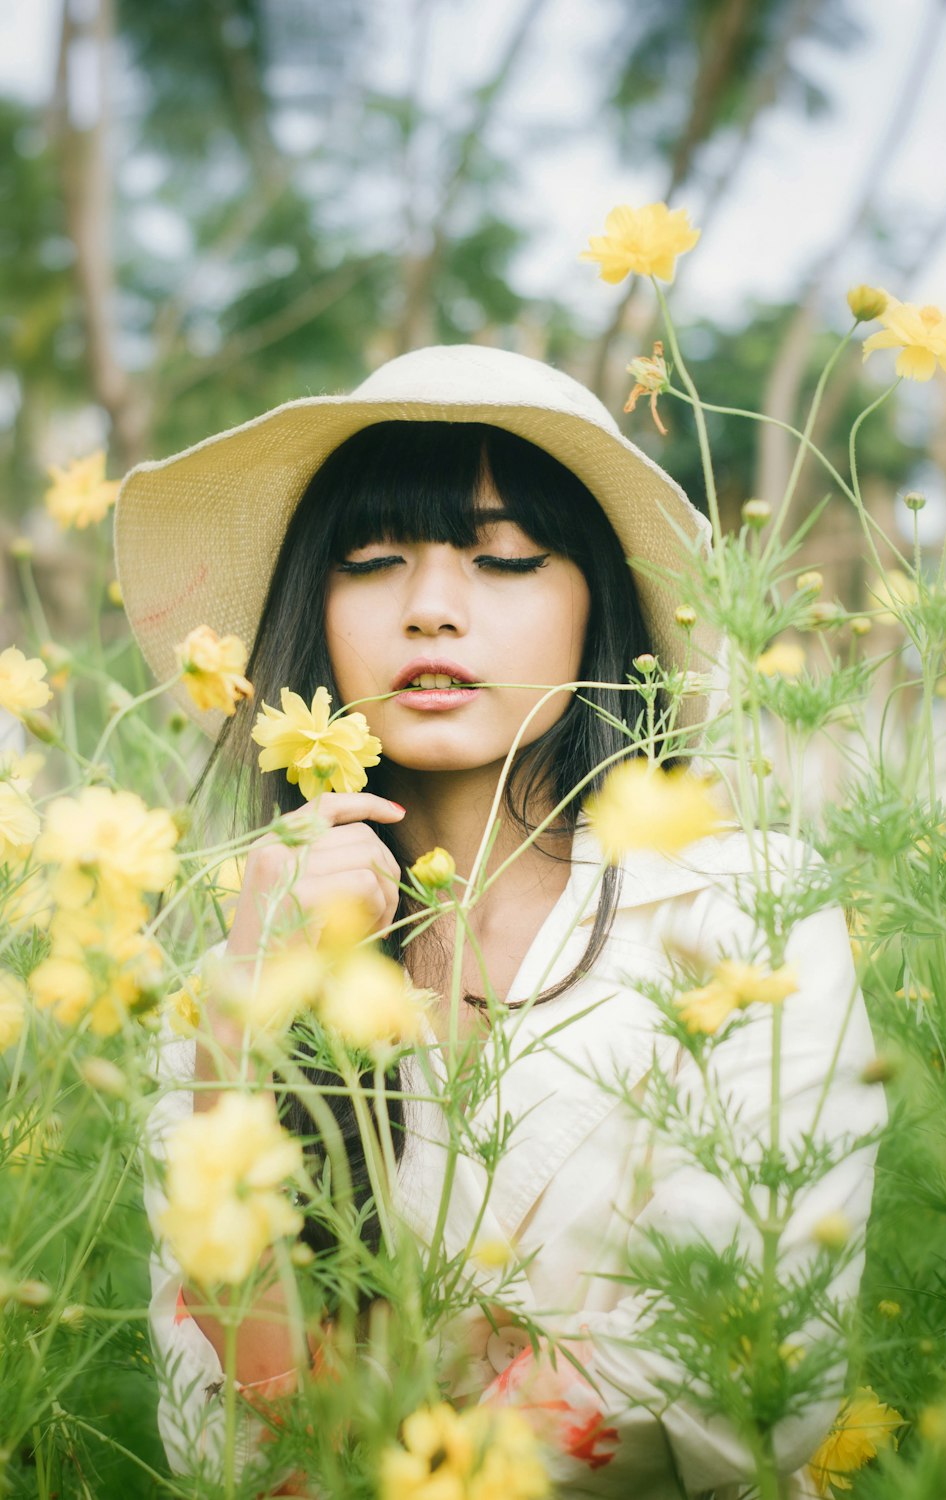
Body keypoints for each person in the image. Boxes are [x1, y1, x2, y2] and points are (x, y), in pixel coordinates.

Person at [120, 345, 885, 1498]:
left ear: (599, 608)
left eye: (508, 559)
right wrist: (245, 1016)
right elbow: (221, 1435)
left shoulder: (745, 908)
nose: (432, 610)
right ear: (309, 613)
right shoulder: (220, 970)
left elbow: (750, 1381)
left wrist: (403, 1456)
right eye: (373, 562)